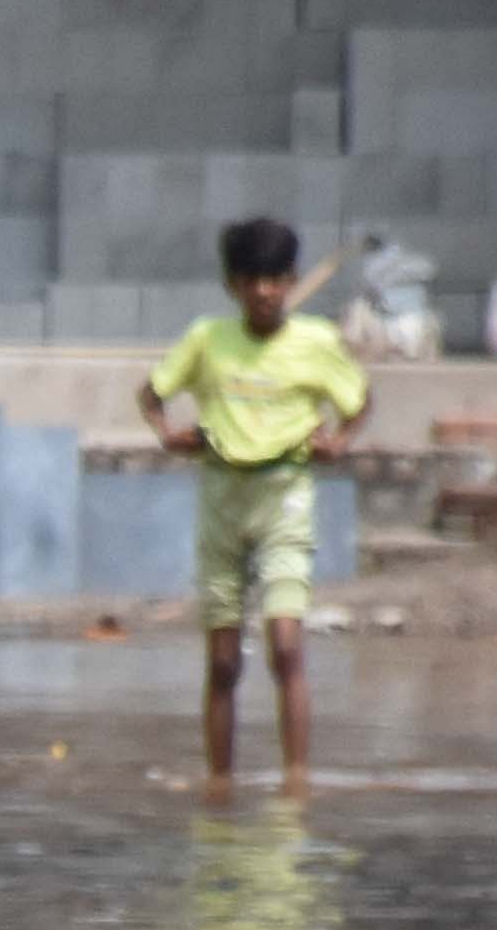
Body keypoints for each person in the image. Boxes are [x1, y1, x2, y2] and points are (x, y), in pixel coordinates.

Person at [139, 215, 374, 779]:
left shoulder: (315, 343)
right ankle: (219, 783)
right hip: (221, 497)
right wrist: (168, 435)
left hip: (285, 497)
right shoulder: (207, 340)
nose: (265, 292)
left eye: (275, 279)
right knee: (222, 661)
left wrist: (338, 442)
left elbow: (358, 402)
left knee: (286, 647)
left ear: (291, 280)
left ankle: (296, 782)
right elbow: (152, 395)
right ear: (232, 285)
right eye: (252, 280)